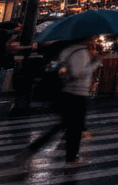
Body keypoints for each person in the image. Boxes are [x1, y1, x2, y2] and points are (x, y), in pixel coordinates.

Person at [17, 35, 101, 166]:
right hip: (76, 94)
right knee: (74, 128)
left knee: (65, 127)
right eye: (91, 38)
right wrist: (95, 63)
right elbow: (76, 73)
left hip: (66, 93)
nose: (93, 40)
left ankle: (32, 150)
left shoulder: (68, 50)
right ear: (85, 38)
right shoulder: (80, 52)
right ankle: (71, 159)